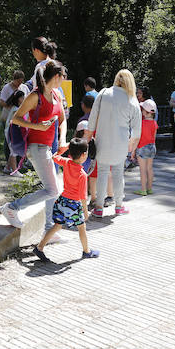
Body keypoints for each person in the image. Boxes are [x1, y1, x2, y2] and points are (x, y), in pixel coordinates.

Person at [0, 61, 68, 235]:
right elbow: (16, 118)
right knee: (53, 189)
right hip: (36, 147)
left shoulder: (56, 95)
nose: (64, 80)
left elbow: (63, 119)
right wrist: (38, 126)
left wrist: (62, 139)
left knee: (52, 189)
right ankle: (12, 207)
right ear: (57, 76)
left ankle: (48, 230)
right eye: (64, 77)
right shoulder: (35, 96)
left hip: (48, 147)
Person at [83, 69, 141, 218]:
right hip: (121, 143)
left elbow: (92, 119)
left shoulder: (103, 93)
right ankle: (119, 206)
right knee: (118, 174)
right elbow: (136, 129)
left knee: (102, 172)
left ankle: (99, 207)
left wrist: (86, 139)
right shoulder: (132, 99)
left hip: (102, 141)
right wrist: (132, 147)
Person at [32, 138, 99, 262]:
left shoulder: (67, 162)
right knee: (81, 227)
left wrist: (66, 147)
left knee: (57, 225)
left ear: (70, 153)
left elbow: (54, 156)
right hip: (73, 205)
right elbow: (83, 197)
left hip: (62, 201)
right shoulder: (82, 175)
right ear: (84, 155)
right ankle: (86, 251)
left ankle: (40, 247)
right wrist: (85, 212)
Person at [133, 99, 158, 196]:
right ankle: (150, 188)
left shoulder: (141, 123)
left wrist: (134, 150)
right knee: (149, 168)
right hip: (152, 147)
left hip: (142, 147)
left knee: (142, 170)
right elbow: (154, 137)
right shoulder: (154, 123)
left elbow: (137, 138)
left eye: (142, 109)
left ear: (146, 112)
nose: (141, 110)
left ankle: (143, 190)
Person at [3, 90, 27, 176]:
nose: (23, 98)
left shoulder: (17, 108)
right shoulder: (16, 110)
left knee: (13, 151)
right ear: (18, 99)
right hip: (12, 132)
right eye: (22, 97)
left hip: (14, 131)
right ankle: (14, 171)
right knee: (13, 151)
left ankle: (7, 168)